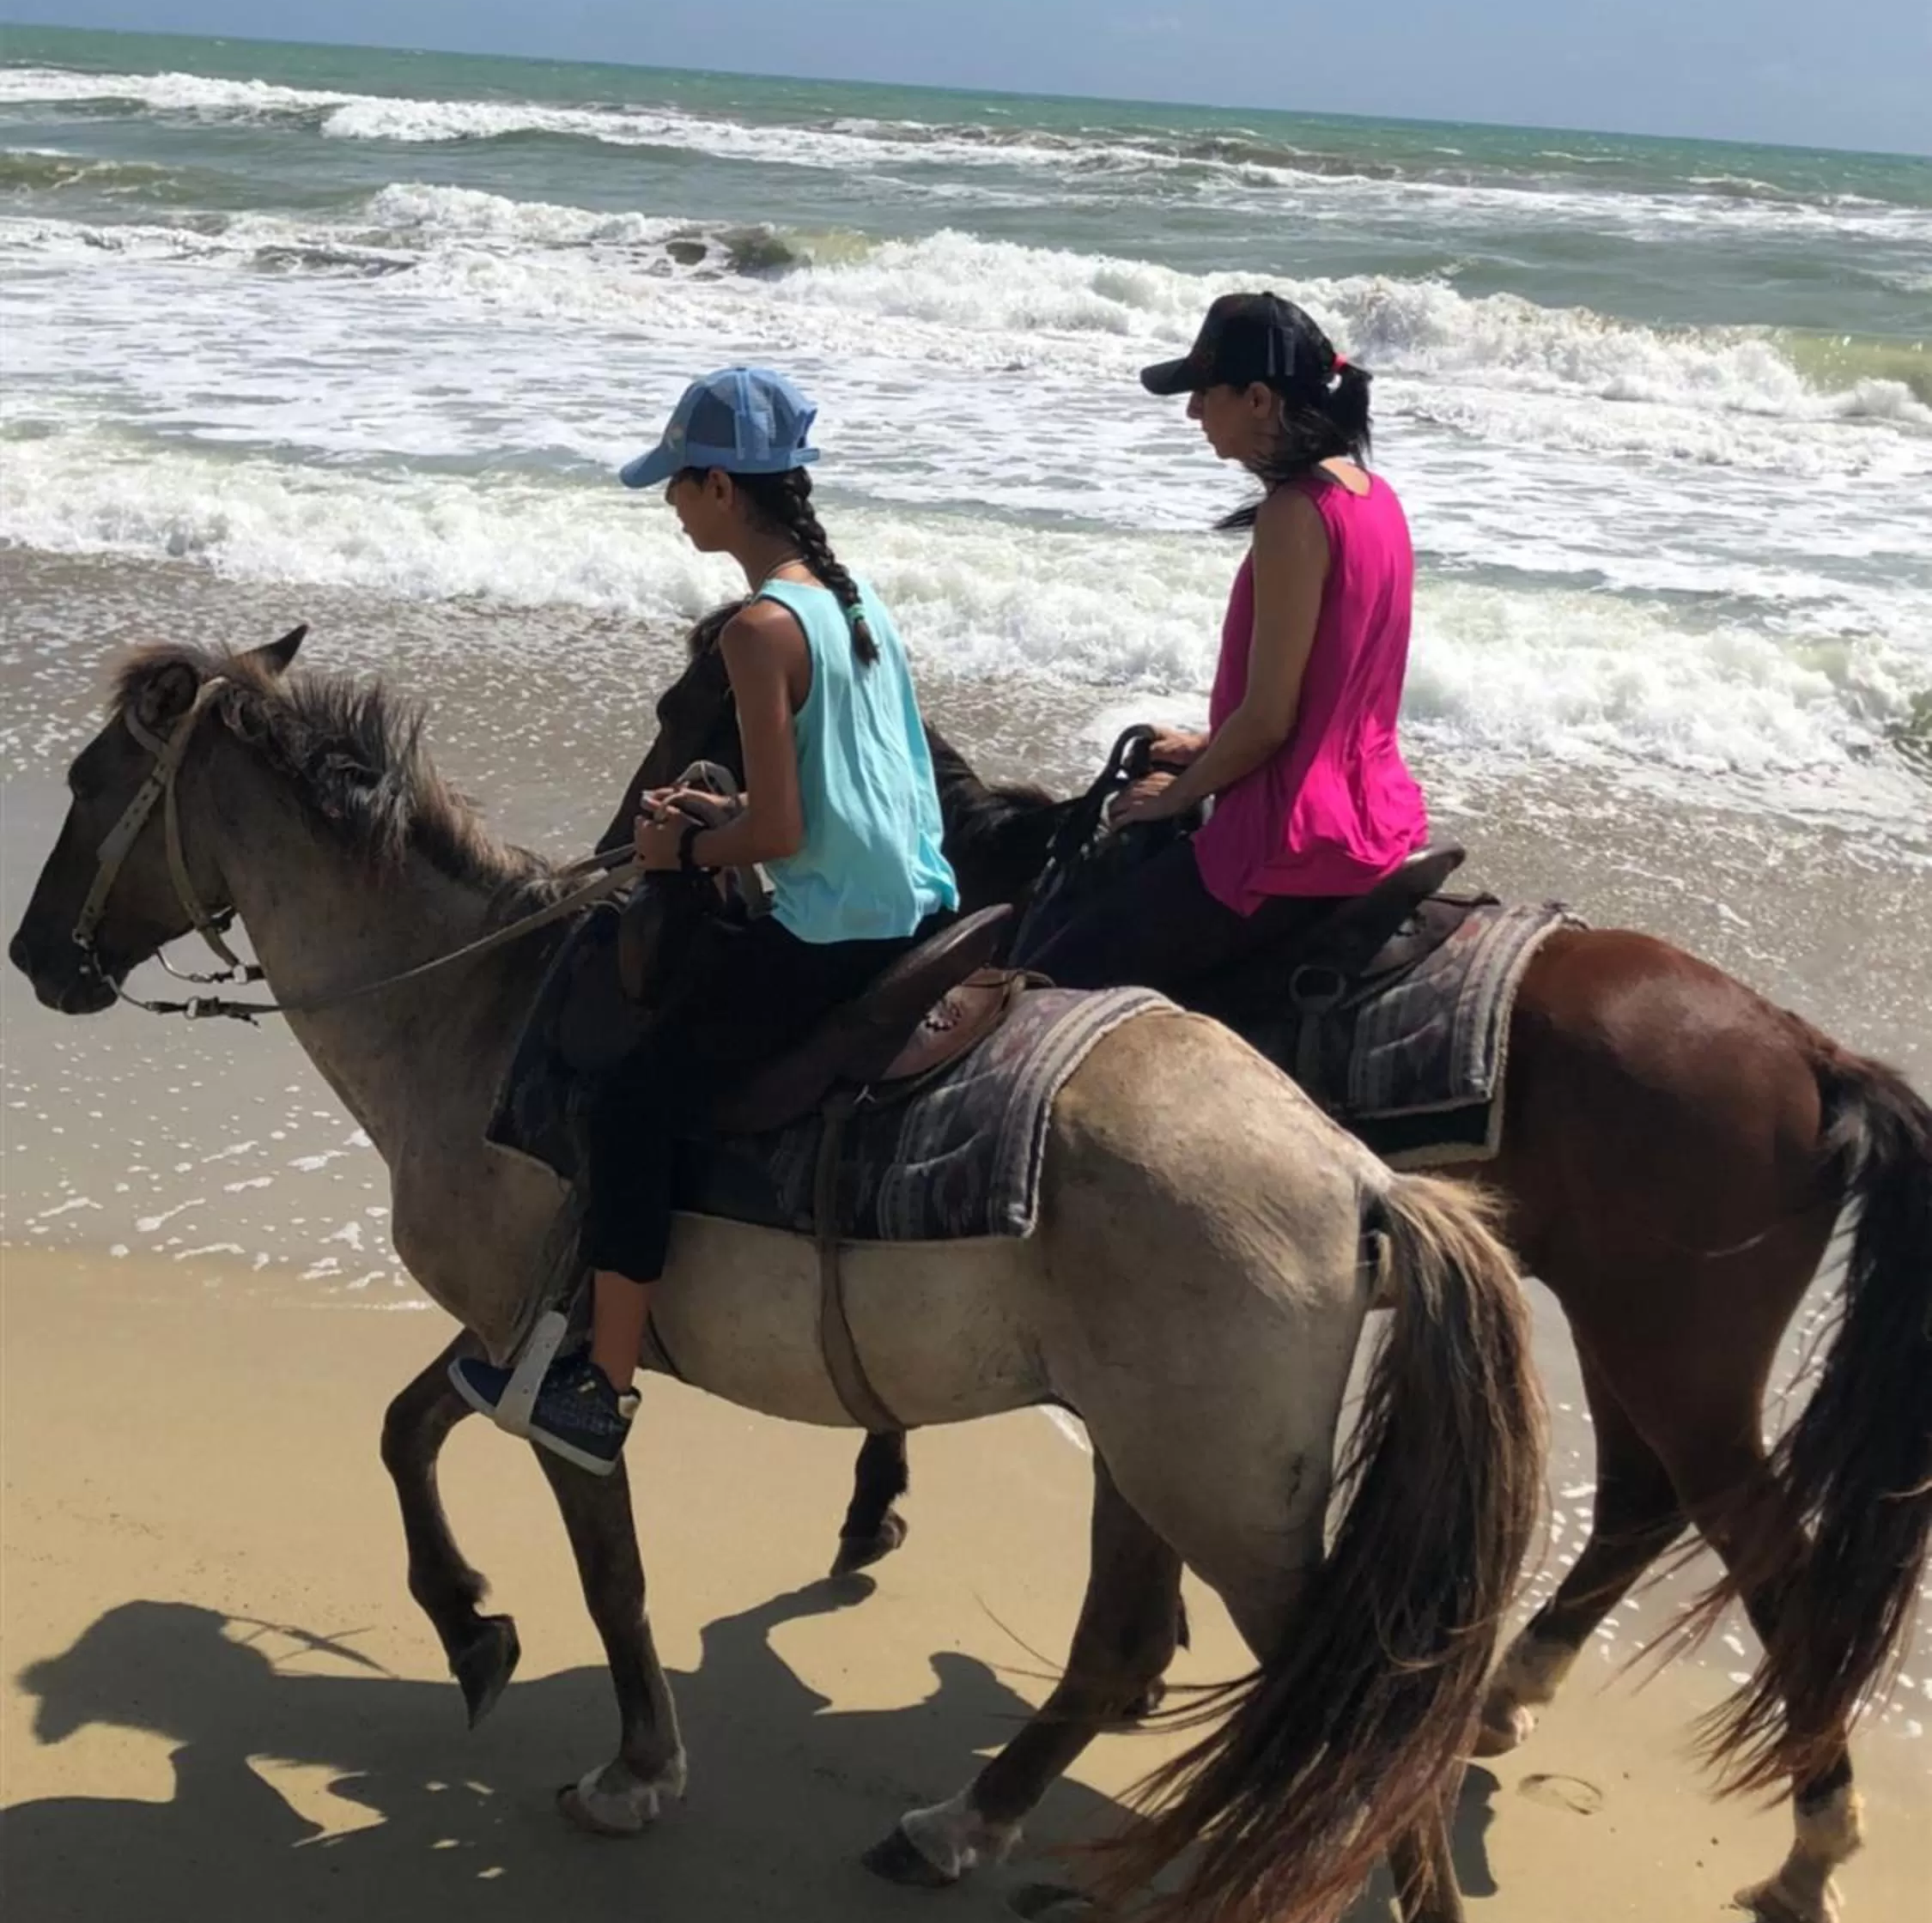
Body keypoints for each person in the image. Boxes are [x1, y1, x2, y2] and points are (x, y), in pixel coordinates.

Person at [453, 366, 958, 1472]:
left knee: (633, 1104)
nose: (672, 503)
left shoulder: (757, 629)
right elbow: (865, 790)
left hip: (834, 934)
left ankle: (599, 1391)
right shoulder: (851, 601)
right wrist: (726, 811)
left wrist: (680, 845)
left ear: (723, 486)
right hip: (912, 902)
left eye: (679, 483)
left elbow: (776, 836)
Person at [1022, 291, 1428, 1002]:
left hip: (1287, 840)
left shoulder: (1294, 513)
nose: (1192, 412)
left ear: (1260, 399)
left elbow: (1271, 721)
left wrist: (1171, 798)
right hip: (1377, 813)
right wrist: (1207, 743)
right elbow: (1322, 699)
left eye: (1205, 393)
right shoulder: (1374, 496)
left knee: (1047, 985)